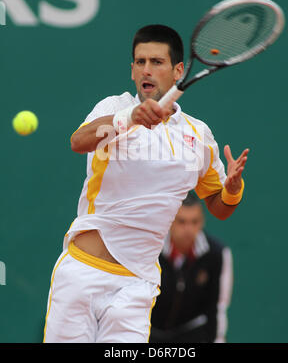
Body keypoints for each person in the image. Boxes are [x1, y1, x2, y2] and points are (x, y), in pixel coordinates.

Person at [43, 24, 249, 343]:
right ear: (131, 70)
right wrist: (130, 118)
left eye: (156, 62)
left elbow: (218, 207)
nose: (146, 70)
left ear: (178, 70)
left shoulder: (198, 136)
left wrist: (233, 189)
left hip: (136, 287)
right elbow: (79, 141)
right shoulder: (113, 108)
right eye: (140, 62)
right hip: (83, 276)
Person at [150, 192, 233, 343]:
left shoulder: (217, 254)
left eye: (194, 222)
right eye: (181, 222)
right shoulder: (151, 250)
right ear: (170, 222)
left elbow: (218, 307)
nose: (188, 229)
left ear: (202, 222)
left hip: (192, 334)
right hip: (150, 333)